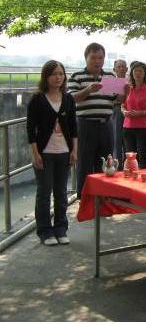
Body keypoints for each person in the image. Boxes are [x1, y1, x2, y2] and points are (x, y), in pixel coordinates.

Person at [27, 60, 78, 245]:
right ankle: (45, 231)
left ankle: (61, 228)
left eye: (61, 74)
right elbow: (30, 128)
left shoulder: (68, 98)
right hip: (44, 152)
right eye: (54, 74)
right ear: (46, 76)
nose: (58, 77)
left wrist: (74, 150)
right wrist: (35, 153)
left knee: (61, 193)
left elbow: (73, 127)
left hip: (64, 152)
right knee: (44, 192)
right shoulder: (37, 99)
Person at [68, 42, 119, 198]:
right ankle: (84, 197)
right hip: (85, 125)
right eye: (93, 57)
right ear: (86, 58)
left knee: (106, 161)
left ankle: (102, 195)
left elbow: (117, 100)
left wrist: (126, 92)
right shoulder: (77, 77)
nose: (97, 61)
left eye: (100, 57)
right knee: (84, 161)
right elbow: (71, 99)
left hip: (106, 124)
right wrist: (88, 89)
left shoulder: (110, 77)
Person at [122, 61, 146, 168]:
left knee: (143, 156)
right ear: (131, 73)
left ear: (145, 73)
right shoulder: (127, 89)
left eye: (140, 71)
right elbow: (122, 105)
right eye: (135, 71)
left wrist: (138, 113)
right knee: (130, 157)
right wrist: (124, 112)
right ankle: (131, 179)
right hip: (128, 126)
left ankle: (144, 180)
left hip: (143, 127)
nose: (137, 73)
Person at [112, 59, 128, 167]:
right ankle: (117, 165)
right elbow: (111, 100)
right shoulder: (111, 82)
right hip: (116, 112)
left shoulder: (131, 82)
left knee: (127, 139)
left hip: (129, 113)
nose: (121, 69)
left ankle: (128, 163)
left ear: (127, 69)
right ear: (114, 69)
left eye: (123, 67)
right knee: (116, 139)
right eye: (119, 67)